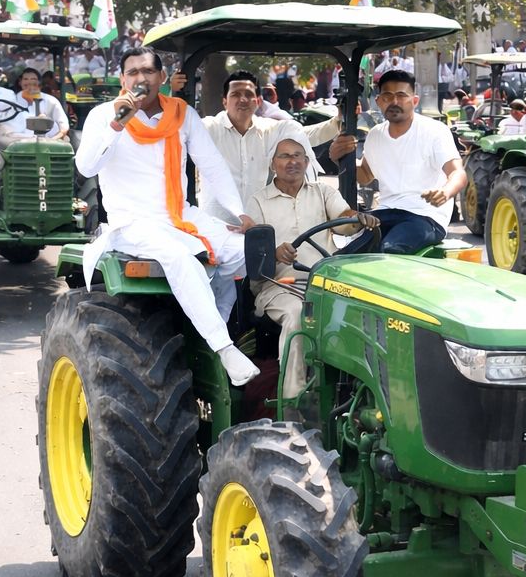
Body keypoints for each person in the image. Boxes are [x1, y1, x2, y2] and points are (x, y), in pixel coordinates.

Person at [75, 47, 258, 387]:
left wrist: (241, 213)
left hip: (181, 215)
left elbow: (213, 167)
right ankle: (224, 348)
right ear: (122, 80)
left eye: (147, 72)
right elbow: (86, 167)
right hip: (132, 223)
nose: (140, 79)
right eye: (132, 73)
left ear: (161, 77)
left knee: (248, 252)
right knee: (180, 258)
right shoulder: (105, 116)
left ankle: (207, 332)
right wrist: (118, 123)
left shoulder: (182, 114)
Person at [246, 134, 378, 401]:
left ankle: (362, 395)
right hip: (278, 287)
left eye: (298, 156)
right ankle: (293, 400)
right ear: (273, 164)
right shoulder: (258, 201)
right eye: (284, 156)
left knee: (369, 309)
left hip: (324, 284)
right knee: (297, 314)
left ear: (307, 162)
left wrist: (358, 219)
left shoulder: (323, 192)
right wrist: (274, 253)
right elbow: (254, 247)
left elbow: (343, 221)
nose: (291, 161)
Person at [169, 68, 352, 223]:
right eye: (235, 94)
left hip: (257, 226)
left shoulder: (269, 130)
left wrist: (338, 120)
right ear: (224, 101)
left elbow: (305, 135)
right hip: (217, 228)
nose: (242, 99)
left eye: (249, 94)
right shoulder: (208, 128)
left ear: (257, 101)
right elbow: (175, 128)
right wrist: (174, 93)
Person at [340, 70, 465, 254]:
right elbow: (365, 175)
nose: (394, 102)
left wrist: (445, 192)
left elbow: (457, 173)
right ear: (379, 101)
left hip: (425, 216)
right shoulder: (375, 135)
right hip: (385, 212)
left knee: (391, 249)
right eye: (388, 96)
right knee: (343, 256)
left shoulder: (434, 131)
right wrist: (341, 157)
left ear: (414, 101)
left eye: (401, 95)